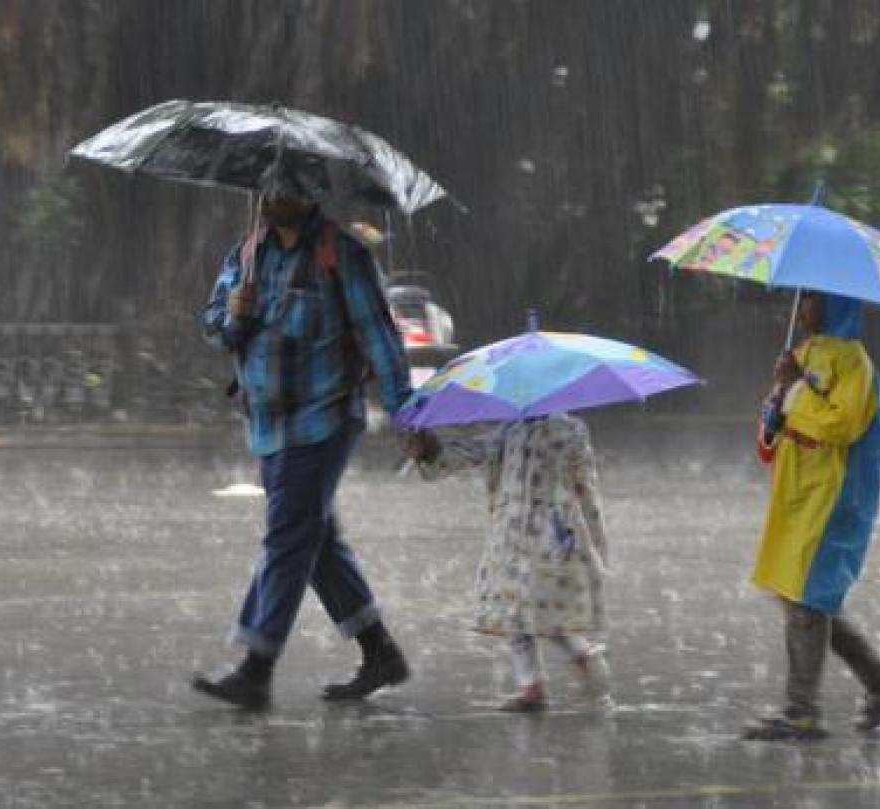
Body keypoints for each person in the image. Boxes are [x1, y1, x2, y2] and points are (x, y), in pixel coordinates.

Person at [192, 163, 413, 708]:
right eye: (266, 189)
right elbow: (215, 322)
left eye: (284, 190)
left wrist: (408, 415)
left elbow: (380, 338)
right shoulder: (248, 252)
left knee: (288, 537)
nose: (272, 198)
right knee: (314, 542)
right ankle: (379, 650)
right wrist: (232, 315)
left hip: (324, 418)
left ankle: (256, 666)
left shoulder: (342, 256)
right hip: (267, 424)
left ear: (309, 195)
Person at [744, 291, 880, 741]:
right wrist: (778, 401)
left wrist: (797, 388)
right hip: (798, 493)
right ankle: (878, 677)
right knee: (802, 597)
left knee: (807, 599)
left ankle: (802, 713)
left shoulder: (854, 361)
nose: (802, 308)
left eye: (813, 299)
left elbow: (842, 424)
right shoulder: (802, 352)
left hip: (832, 497)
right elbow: (779, 421)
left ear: (836, 304)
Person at [401, 414, 611, 711]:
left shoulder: (532, 430)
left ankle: (565, 663)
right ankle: (542, 679)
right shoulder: (531, 430)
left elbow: (584, 485)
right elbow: (586, 486)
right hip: (533, 532)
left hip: (532, 533)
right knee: (524, 608)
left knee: (526, 607)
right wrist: (430, 450)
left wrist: (433, 452)